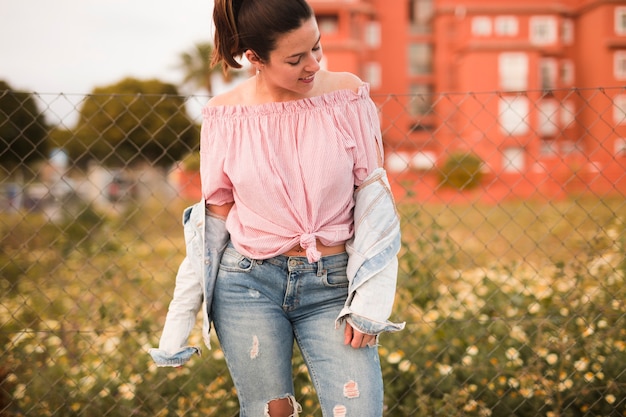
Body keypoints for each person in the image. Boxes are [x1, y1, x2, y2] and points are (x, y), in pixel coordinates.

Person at [150, 0, 404, 415]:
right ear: (255, 58)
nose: (313, 65)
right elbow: (211, 224)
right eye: (295, 58)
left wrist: (371, 302)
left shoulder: (346, 96)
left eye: (316, 48)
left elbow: (376, 206)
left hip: (333, 287)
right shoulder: (223, 116)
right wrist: (180, 319)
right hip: (247, 284)